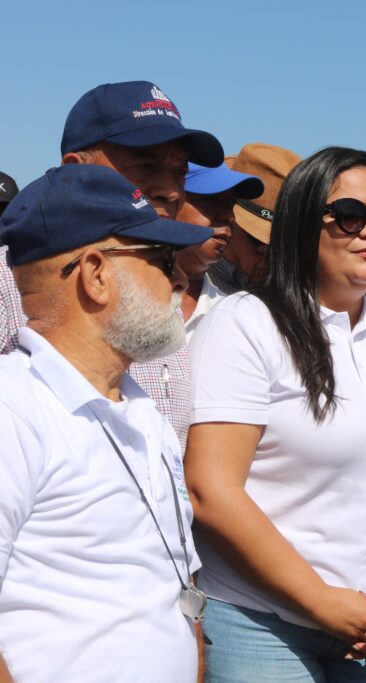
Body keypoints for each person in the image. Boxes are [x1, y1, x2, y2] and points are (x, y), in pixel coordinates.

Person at [185, 146, 366, 683]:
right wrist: (321, 602)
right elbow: (211, 489)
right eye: (350, 216)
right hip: (264, 628)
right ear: (299, 225)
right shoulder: (245, 324)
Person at [0, 164, 214, 683]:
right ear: (96, 274)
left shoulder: (141, 407)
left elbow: (174, 578)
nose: (181, 275)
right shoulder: (13, 408)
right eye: (162, 259)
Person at [0, 80, 225, 451]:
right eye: (144, 164)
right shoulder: (11, 283)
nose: (169, 190)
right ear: (75, 169)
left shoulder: (168, 287)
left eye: (180, 171)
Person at [178, 161, 264, 338]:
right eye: (209, 201)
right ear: (169, 200)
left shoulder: (234, 317)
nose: (230, 216)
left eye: (231, 204)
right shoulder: (120, 297)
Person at [207, 143, 302, 294]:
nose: (268, 256)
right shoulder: (190, 274)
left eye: (280, 247)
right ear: (230, 216)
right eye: (258, 241)